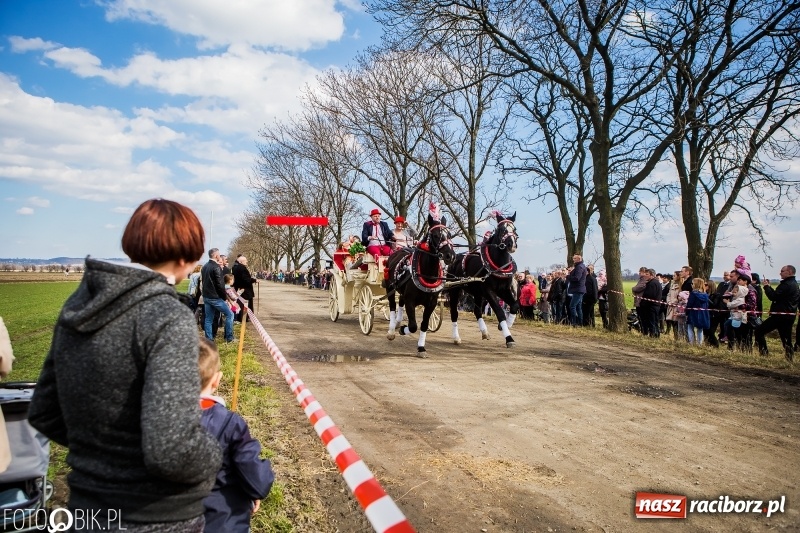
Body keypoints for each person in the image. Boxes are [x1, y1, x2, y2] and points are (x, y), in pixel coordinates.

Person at [28, 199, 222, 531]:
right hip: (157, 515)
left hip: (86, 508)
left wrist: (104, 458)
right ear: (184, 255)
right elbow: (171, 451)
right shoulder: (168, 316)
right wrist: (216, 452)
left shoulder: (78, 305)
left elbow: (45, 412)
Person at [198, 339, 274, 532]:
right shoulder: (231, 423)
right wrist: (252, 488)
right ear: (217, 379)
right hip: (224, 522)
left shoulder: (149, 418)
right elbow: (257, 481)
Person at [755, 265, 799, 361]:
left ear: (790, 272)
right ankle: (789, 358)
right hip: (788, 315)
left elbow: (773, 297)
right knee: (786, 339)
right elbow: (779, 296)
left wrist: (766, 287)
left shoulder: (786, 284)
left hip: (780, 316)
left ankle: (764, 353)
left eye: (782, 271)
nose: (780, 273)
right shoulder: (794, 284)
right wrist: (769, 287)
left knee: (759, 331)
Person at [202, 248, 235, 343]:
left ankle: (209, 339)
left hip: (206, 296)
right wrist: (225, 298)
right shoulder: (216, 267)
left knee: (208, 319)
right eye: (219, 255)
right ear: (216, 256)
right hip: (215, 297)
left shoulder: (204, 267)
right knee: (230, 314)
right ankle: (229, 337)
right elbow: (220, 285)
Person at [686, 278, 710, 345]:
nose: (691, 284)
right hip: (702, 314)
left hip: (693, 313)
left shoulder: (693, 294)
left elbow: (690, 304)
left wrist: (686, 312)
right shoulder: (705, 295)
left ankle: (691, 342)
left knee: (690, 327)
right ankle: (700, 343)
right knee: (700, 329)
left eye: (693, 283)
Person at [232, 254, 257, 319]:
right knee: (245, 304)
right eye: (245, 261)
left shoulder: (236, 267)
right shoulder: (242, 268)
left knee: (241, 303)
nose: (247, 262)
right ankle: (244, 318)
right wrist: (254, 280)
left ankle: (243, 317)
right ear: (241, 262)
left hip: (240, 288)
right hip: (245, 290)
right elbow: (246, 279)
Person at [640, 269, 663, 337]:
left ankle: (653, 335)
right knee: (654, 321)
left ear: (652, 275)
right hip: (654, 305)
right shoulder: (654, 282)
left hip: (652, 306)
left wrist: (643, 304)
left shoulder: (652, 284)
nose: (645, 276)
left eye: (647, 274)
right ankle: (655, 334)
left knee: (652, 321)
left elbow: (650, 296)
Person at [566, 253, 587, 326]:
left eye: (575, 258)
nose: (573, 260)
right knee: (578, 307)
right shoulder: (581, 266)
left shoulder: (579, 267)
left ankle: (574, 322)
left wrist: (567, 276)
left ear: (579, 259)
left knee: (572, 306)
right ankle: (580, 323)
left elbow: (577, 278)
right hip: (579, 289)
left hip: (578, 289)